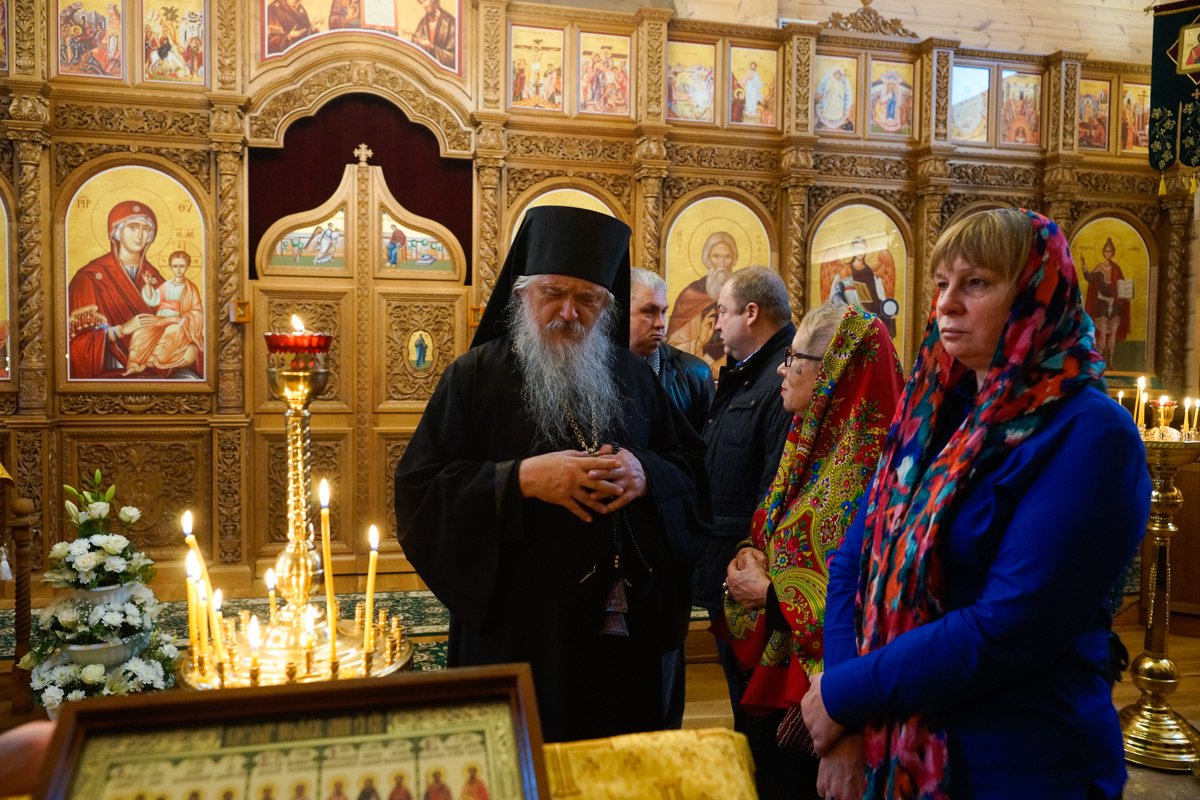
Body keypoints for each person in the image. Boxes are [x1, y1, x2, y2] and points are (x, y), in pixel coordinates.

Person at [802, 209, 1150, 800]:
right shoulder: (931, 416)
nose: (947, 303)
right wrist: (848, 719)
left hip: (1018, 760)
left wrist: (846, 693)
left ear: (1039, 297)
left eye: (978, 283)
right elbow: (850, 563)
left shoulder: (1092, 433)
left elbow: (1007, 628)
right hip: (894, 735)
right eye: (942, 283)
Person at [394, 205, 711, 742]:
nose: (569, 312)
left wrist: (646, 474)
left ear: (606, 306)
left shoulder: (633, 377)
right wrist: (518, 480)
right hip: (519, 630)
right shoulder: (474, 377)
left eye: (588, 298)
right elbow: (421, 491)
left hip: (617, 636)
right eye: (553, 293)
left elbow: (691, 471)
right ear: (523, 295)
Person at [715, 302, 902, 800]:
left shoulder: (868, 468)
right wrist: (750, 551)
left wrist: (770, 597)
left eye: (793, 357)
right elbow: (774, 526)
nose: (781, 367)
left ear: (832, 372)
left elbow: (864, 602)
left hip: (826, 706)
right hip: (778, 682)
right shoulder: (811, 442)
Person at [693, 266, 795, 697]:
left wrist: (752, 561)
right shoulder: (747, 371)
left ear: (751, 313)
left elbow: (777, 484)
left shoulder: (783, 379)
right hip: (730, 573)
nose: (716, 323)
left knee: (756, 707)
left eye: (722, 311)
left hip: (753, 577)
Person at [628, 266, 715, 729]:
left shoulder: (696, 375)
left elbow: (699, 462)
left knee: (664, 686)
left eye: (664, 312)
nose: (660, 323)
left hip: (668, 548)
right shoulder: (594, 374)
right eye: (648, 312)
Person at [67, 201, 168, 380]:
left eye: (146, 229)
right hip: (107, 373)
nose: (140, 235)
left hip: (153, 371)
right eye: (133, 227)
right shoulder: (89, 278)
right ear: (118, 233)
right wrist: (120, 331)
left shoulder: (156, 280)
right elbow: (75, 344)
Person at [124, 249, 204, 377]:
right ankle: (134, 364)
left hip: (178, 322)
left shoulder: (191, 288)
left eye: (182, 266)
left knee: (172, 331)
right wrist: (148, 284)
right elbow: (153, 299)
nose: (178, 270)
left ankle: (155, 359)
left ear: (187, 267)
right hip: (160, 320)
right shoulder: (167, 285)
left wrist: (188, 316)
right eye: (175, 266)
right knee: (141, 331)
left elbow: (197, 310)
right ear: (171, 267)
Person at [666, 232, 738, 366]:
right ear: (707, 259)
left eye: (727, 257)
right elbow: (672, 346)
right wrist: (699, 342)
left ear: (733, 260)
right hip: (696, 372)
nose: (722, 264)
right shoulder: (690, 295)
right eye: (716, 256)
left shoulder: (742, 295)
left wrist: (725, 359)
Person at [1080, 237, 1130, 368]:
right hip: (1102, 304)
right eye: (1106, 251)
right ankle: (1101, 363)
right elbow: (1089, 278)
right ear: (1103, 252)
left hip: (1115, 304)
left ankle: (1111, 362)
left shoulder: (1116, 269)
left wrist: (1126, 295)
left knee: (1113, 332)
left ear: (1113, 253)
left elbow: (1121, 286)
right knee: (1102, 333)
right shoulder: (1100, 268)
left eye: (1110, 251)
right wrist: (1083, 265)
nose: (1108, 254)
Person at [410, 0, 456, 69]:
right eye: (422, 2)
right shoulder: (423, 23)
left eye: (425, 0)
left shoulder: (450, 22)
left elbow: (454, 58)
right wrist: (412, 40)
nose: (424, 5)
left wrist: (431, 47)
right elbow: (416, 47)